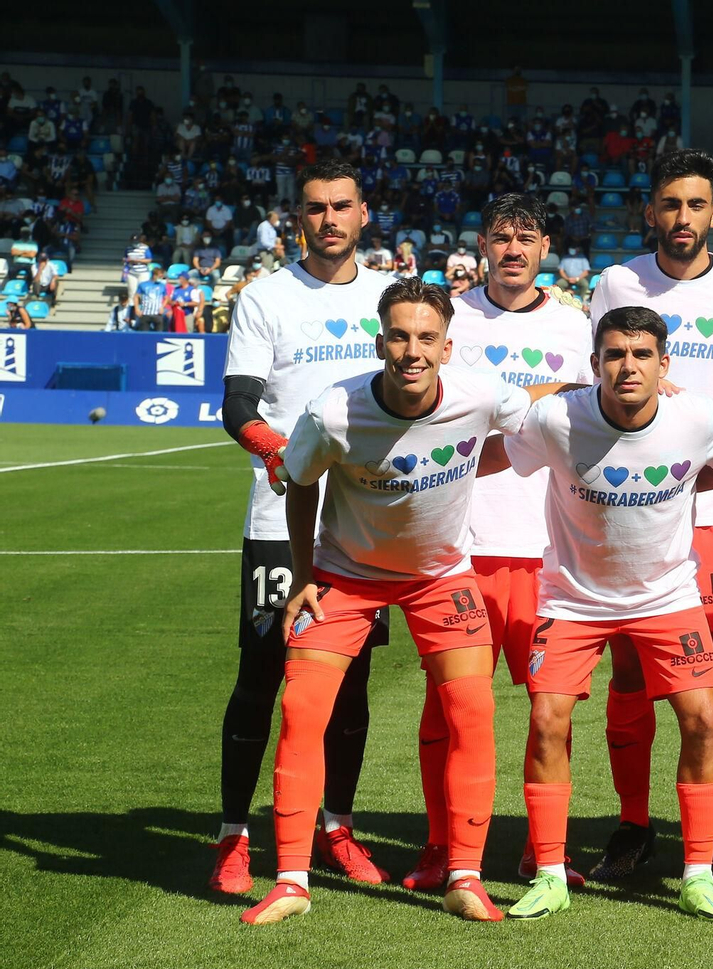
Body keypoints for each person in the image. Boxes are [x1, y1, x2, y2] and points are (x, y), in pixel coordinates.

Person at [240, 277, 532, 926]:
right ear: (379, 341)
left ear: (448, 347)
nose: (412, 350)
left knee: (473, 712)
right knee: (302, 708)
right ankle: (291, 879)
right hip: (346, 575)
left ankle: (464, 875)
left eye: (426, 337)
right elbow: (298, 482)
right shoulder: (333, 412)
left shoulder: (481, 394)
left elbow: (537, 420)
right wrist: (303, 571)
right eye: (399, 335)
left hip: (440, 576)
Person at [475, 305, 713, 924]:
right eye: (615, 354)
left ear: (664, 364)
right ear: (593, 365)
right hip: (574, 599)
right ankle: (548, 873)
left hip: (668, 597)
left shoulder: (697, 418)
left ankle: (698, 872)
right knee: (546, 719)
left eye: (642, 354)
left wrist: (678, 487)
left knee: (702, 717)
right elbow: (491, 455)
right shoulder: (558, 419)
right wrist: (426, 465)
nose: (629, 365)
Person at [585, 150, 713, 884]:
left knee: (712, 677)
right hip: (630, 504)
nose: (683, 218)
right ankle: (633, 824)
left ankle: (709, 828)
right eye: (671, 204)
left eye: (697, 205)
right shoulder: (617, 283)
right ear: (651, 211)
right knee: (629, 666)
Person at [399, 192, 595, 893]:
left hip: (549, 547)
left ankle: (546, 850)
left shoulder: (577, 324)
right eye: (502, 235)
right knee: (448, 707)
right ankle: (440, 845)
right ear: (482, 243)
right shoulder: (448, 319)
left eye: (528, 237)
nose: (514, 248)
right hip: (459, 543)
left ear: (546, 248)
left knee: (552, 709)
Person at [213, 160, 397, 897]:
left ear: (364, 214)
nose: (329, 219)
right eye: (316, 208)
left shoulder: (392, 297)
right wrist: (281, 456)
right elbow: (238, 405)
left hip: (366, 527)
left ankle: (337, 827)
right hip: (278, 521)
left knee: (350, 684)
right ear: (299, 218)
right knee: (261, 674)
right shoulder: (265, 297)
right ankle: (233, 835)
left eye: (341, 206)